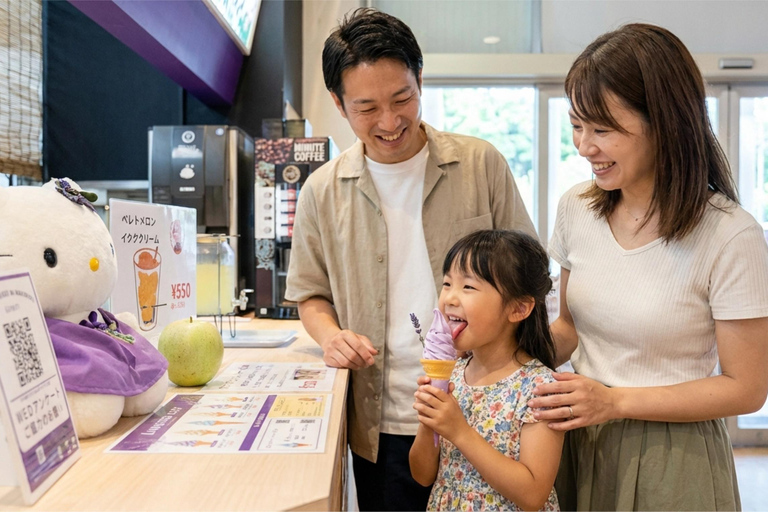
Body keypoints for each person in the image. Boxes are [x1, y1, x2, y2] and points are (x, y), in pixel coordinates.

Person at [284, 7, 535, 511]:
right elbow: (310, 295)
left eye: (403, 98)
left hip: (486, 411)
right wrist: (333, 338)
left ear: (421, 78)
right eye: (366, 108)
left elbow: (528, 275)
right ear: (338, 103)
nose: (390, 121)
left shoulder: (479, 164)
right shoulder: (322, 190)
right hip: (386, 421)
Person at [526, 23, 768, 510]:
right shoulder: (577, 207)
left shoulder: (730, 234)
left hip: (673, 458)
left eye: (602, 129)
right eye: (576, 125)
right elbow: (570, 328)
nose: (583, 146)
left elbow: (746, 389)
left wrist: (614, 402)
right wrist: (498, 361)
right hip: (579, 439)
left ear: (664, 122)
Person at [409, 230, 563, 511]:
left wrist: (459, 432)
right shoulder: (454, 373)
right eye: (447, 283)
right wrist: (428, 420)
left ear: (518, 308)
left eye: (468, 287)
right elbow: (422, 475)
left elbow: (533, 495)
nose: (450, 298)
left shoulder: (540, 388)